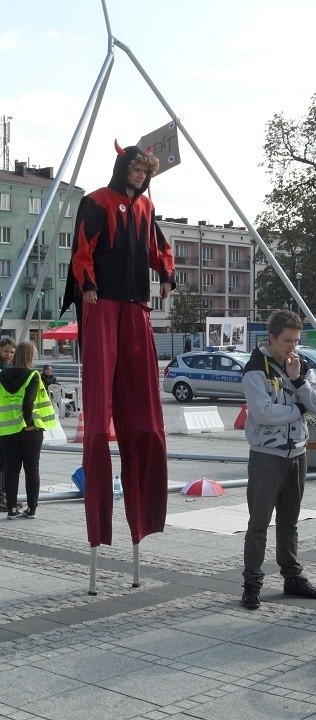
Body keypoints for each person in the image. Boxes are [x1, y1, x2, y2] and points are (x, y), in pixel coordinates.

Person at [61, 140, 175, 548]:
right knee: (99, 406)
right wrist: (86, 284)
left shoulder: (145, 208)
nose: (141, 177)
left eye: (146, 173)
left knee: (144, 411)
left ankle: (143, 516)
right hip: (103, 303)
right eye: (136, 171)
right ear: (122, 169)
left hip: (135, 306)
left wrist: (165, 273)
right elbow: (82, 249)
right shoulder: (96, 201)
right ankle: (100, 525)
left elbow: (157, 246)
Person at [240, 309, 316, 610]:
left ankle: (292, 577)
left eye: (297, 340)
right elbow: (263, 412)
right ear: (272, 338)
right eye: (287, 341)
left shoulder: (301, 366)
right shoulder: (255, 368)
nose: (293, 347)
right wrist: (298, 410)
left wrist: (298, 378)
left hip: (298, 453)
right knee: (259, 524)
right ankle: (251, 584)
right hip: (267, 455)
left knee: (289, 522)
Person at [0, 341, 56, 519]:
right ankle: (31, 508)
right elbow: (28, 403)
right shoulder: (33, 375)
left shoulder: (2, 375)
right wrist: (30, 422)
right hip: (29, 431)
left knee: (11, 469)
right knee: (32, 469)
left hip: (8, 429)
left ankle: (11, 509)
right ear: (29, 356)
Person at [0, 336, 16, 512]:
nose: (9, 355)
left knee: (5, 463)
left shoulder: (11, 368)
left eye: (12, 352)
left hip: (6, 423)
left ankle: (4, 496)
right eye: (6, 351)